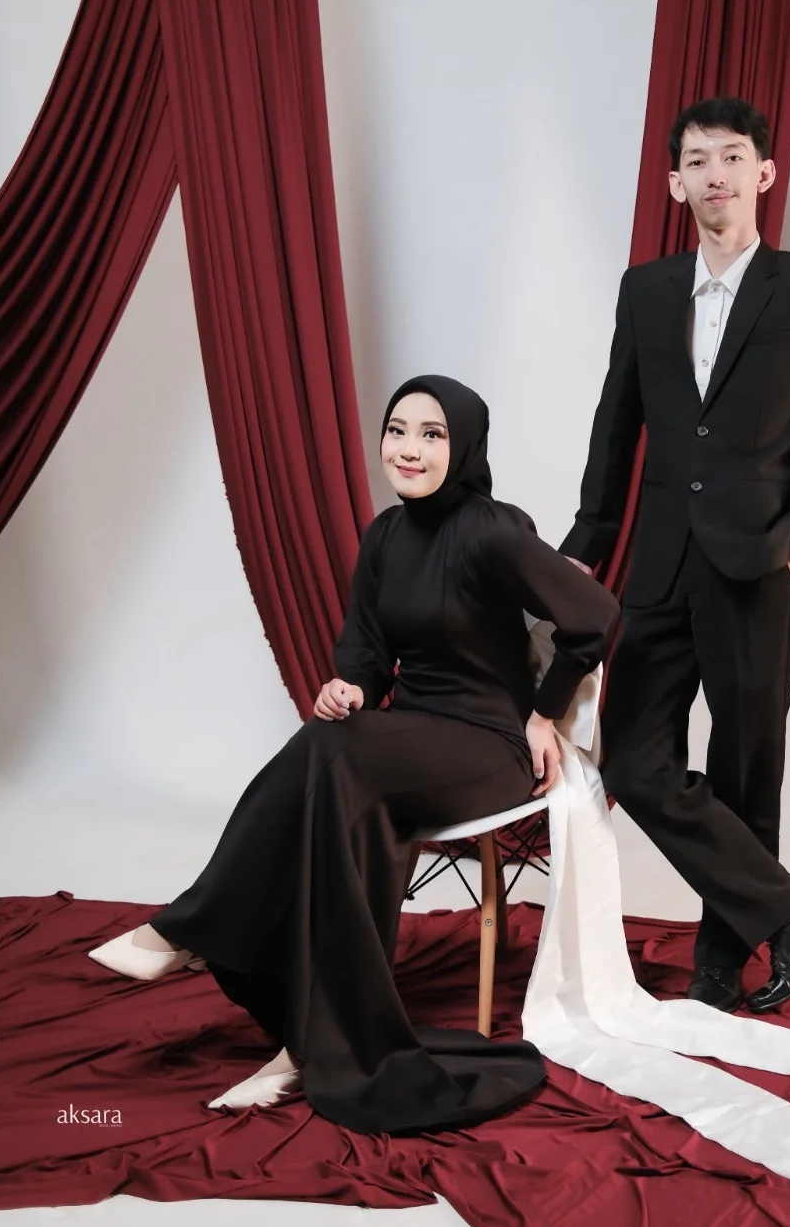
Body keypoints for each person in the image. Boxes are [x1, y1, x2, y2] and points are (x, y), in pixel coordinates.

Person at [87, 375, 619, 1131]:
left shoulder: (492, 531)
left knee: (335, 758)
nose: (408, 449)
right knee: (338, 763)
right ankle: (311, 1046)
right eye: (397, 430)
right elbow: (365, 651)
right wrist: (350, 688)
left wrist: (544, 712)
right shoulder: (384, 536)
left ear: (465, 446)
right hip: (407, 741)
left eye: (432, 435)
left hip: (489, 745)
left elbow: (593, 614)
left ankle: (195, 930)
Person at [562, 95, 790, 1015]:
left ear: (763, 174)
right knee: (633, 764)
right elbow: (615, 427)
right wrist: (586, 548)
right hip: (658, 567)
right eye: (697, 161)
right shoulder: (646, 291)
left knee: (746, 773)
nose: (716, 175)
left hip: (757, 568)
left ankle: (719, 964)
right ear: (675, 183)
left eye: (732, 157)